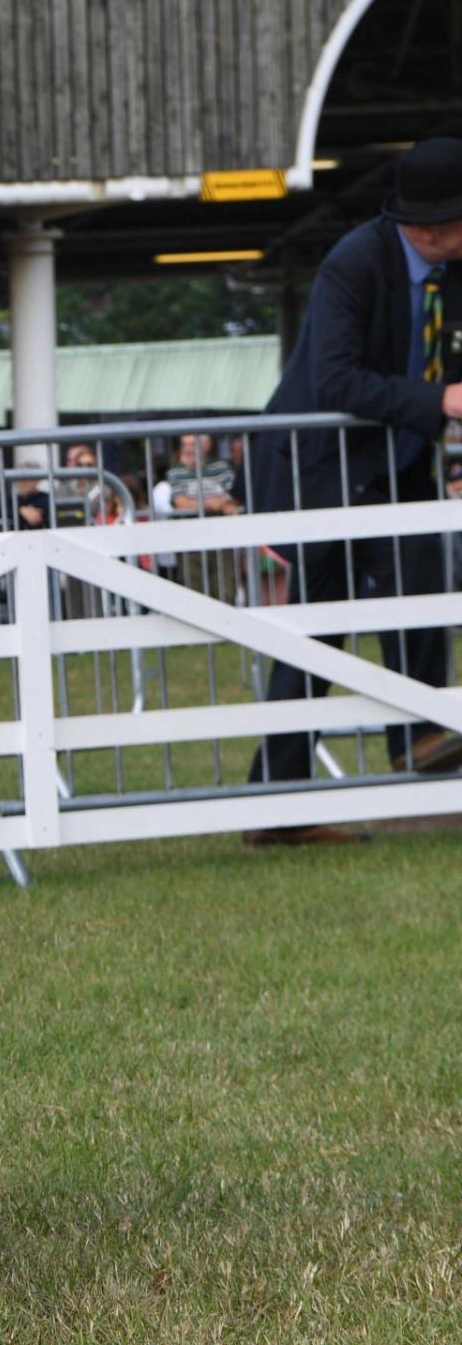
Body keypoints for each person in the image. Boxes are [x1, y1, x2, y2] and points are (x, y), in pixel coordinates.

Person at [244, 135, 462, 836]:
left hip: (399, 463)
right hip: (322, 468)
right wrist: (442, 404)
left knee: (424, 582)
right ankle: (279, 807)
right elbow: (334, 380)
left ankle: (421, 736)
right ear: (426, 225)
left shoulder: (451, 270)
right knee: (318, 631)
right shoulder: (355, 262)